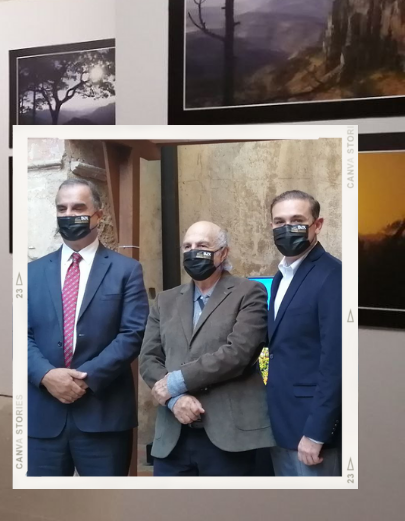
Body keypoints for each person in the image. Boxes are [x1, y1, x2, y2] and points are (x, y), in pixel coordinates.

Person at [27, 178, 149, 476]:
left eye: (79, 208)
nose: (69, 215)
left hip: (103, 414)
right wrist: (45, 375)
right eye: (62, 208)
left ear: (99, 214)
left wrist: (84, 378)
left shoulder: (126, 270)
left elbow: (132, 334)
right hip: (42, 415)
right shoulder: (32, 272)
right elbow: (19, 332)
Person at [139, 221, 274, 476]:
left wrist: (176, 382)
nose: (193, 252)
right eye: (187, 247)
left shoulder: (249, 292)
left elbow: (238, 353)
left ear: (223, 253)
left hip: (230, 436)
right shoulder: (165, 301)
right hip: (173, 436)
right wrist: (175, 399)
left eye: (202, 246)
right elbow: (149, 358)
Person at [266, 190, 342, 476]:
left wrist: (316, 433)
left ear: (317, 225)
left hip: (311, 435)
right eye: (279, 221)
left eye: (297, 220)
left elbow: (335, 361)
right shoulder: (280, 276)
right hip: (280, 425)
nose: (286, 228)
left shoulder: (333, 276)